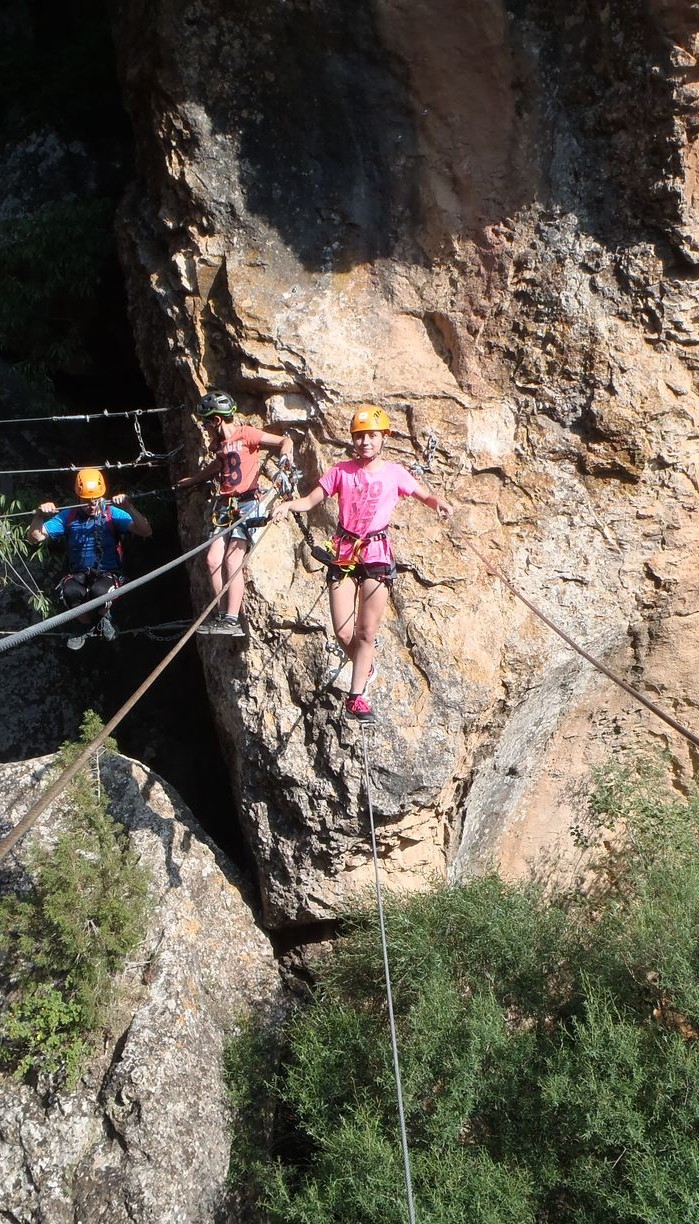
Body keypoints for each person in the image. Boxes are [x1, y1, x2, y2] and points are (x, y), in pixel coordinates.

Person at [272, 405, 454, 723]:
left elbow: (423, 495)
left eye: (371, 436)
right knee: (343, 632)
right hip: (343, 552)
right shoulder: (341, 471)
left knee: (366, 632)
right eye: (360, 437)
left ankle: (356, 697)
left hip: (376, 554)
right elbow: (312, 499)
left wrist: (437, 502)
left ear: (383, 438)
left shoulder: (395, 473)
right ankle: (365, 667)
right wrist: (288, 506)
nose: (365, 442)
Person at [176, 390, 294, 636]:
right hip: (226, 505)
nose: (205, 428)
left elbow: (285, 441)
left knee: (232, 560)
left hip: (248, 503)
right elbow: (219, 465)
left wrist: (285, 458)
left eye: (207, 423)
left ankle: (232, 619)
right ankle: (221, 615)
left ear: (217, 420)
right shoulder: (219, 445)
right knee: (212, 560)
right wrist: (194, 480)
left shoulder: (247, 434)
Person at [28, 467, 152, 651]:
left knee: (100, 591)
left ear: (102, 496)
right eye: (87, 500)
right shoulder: (68, 516)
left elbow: (146, 531)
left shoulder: (112, 513)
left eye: (96, 500)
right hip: (78, 573)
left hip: (109, 573)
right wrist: (39, 515)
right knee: (70, 593)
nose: (92, 504)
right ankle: (88, 624)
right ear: (79, 497)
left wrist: (129, 507)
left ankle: (102, 618)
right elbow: (35, 538)